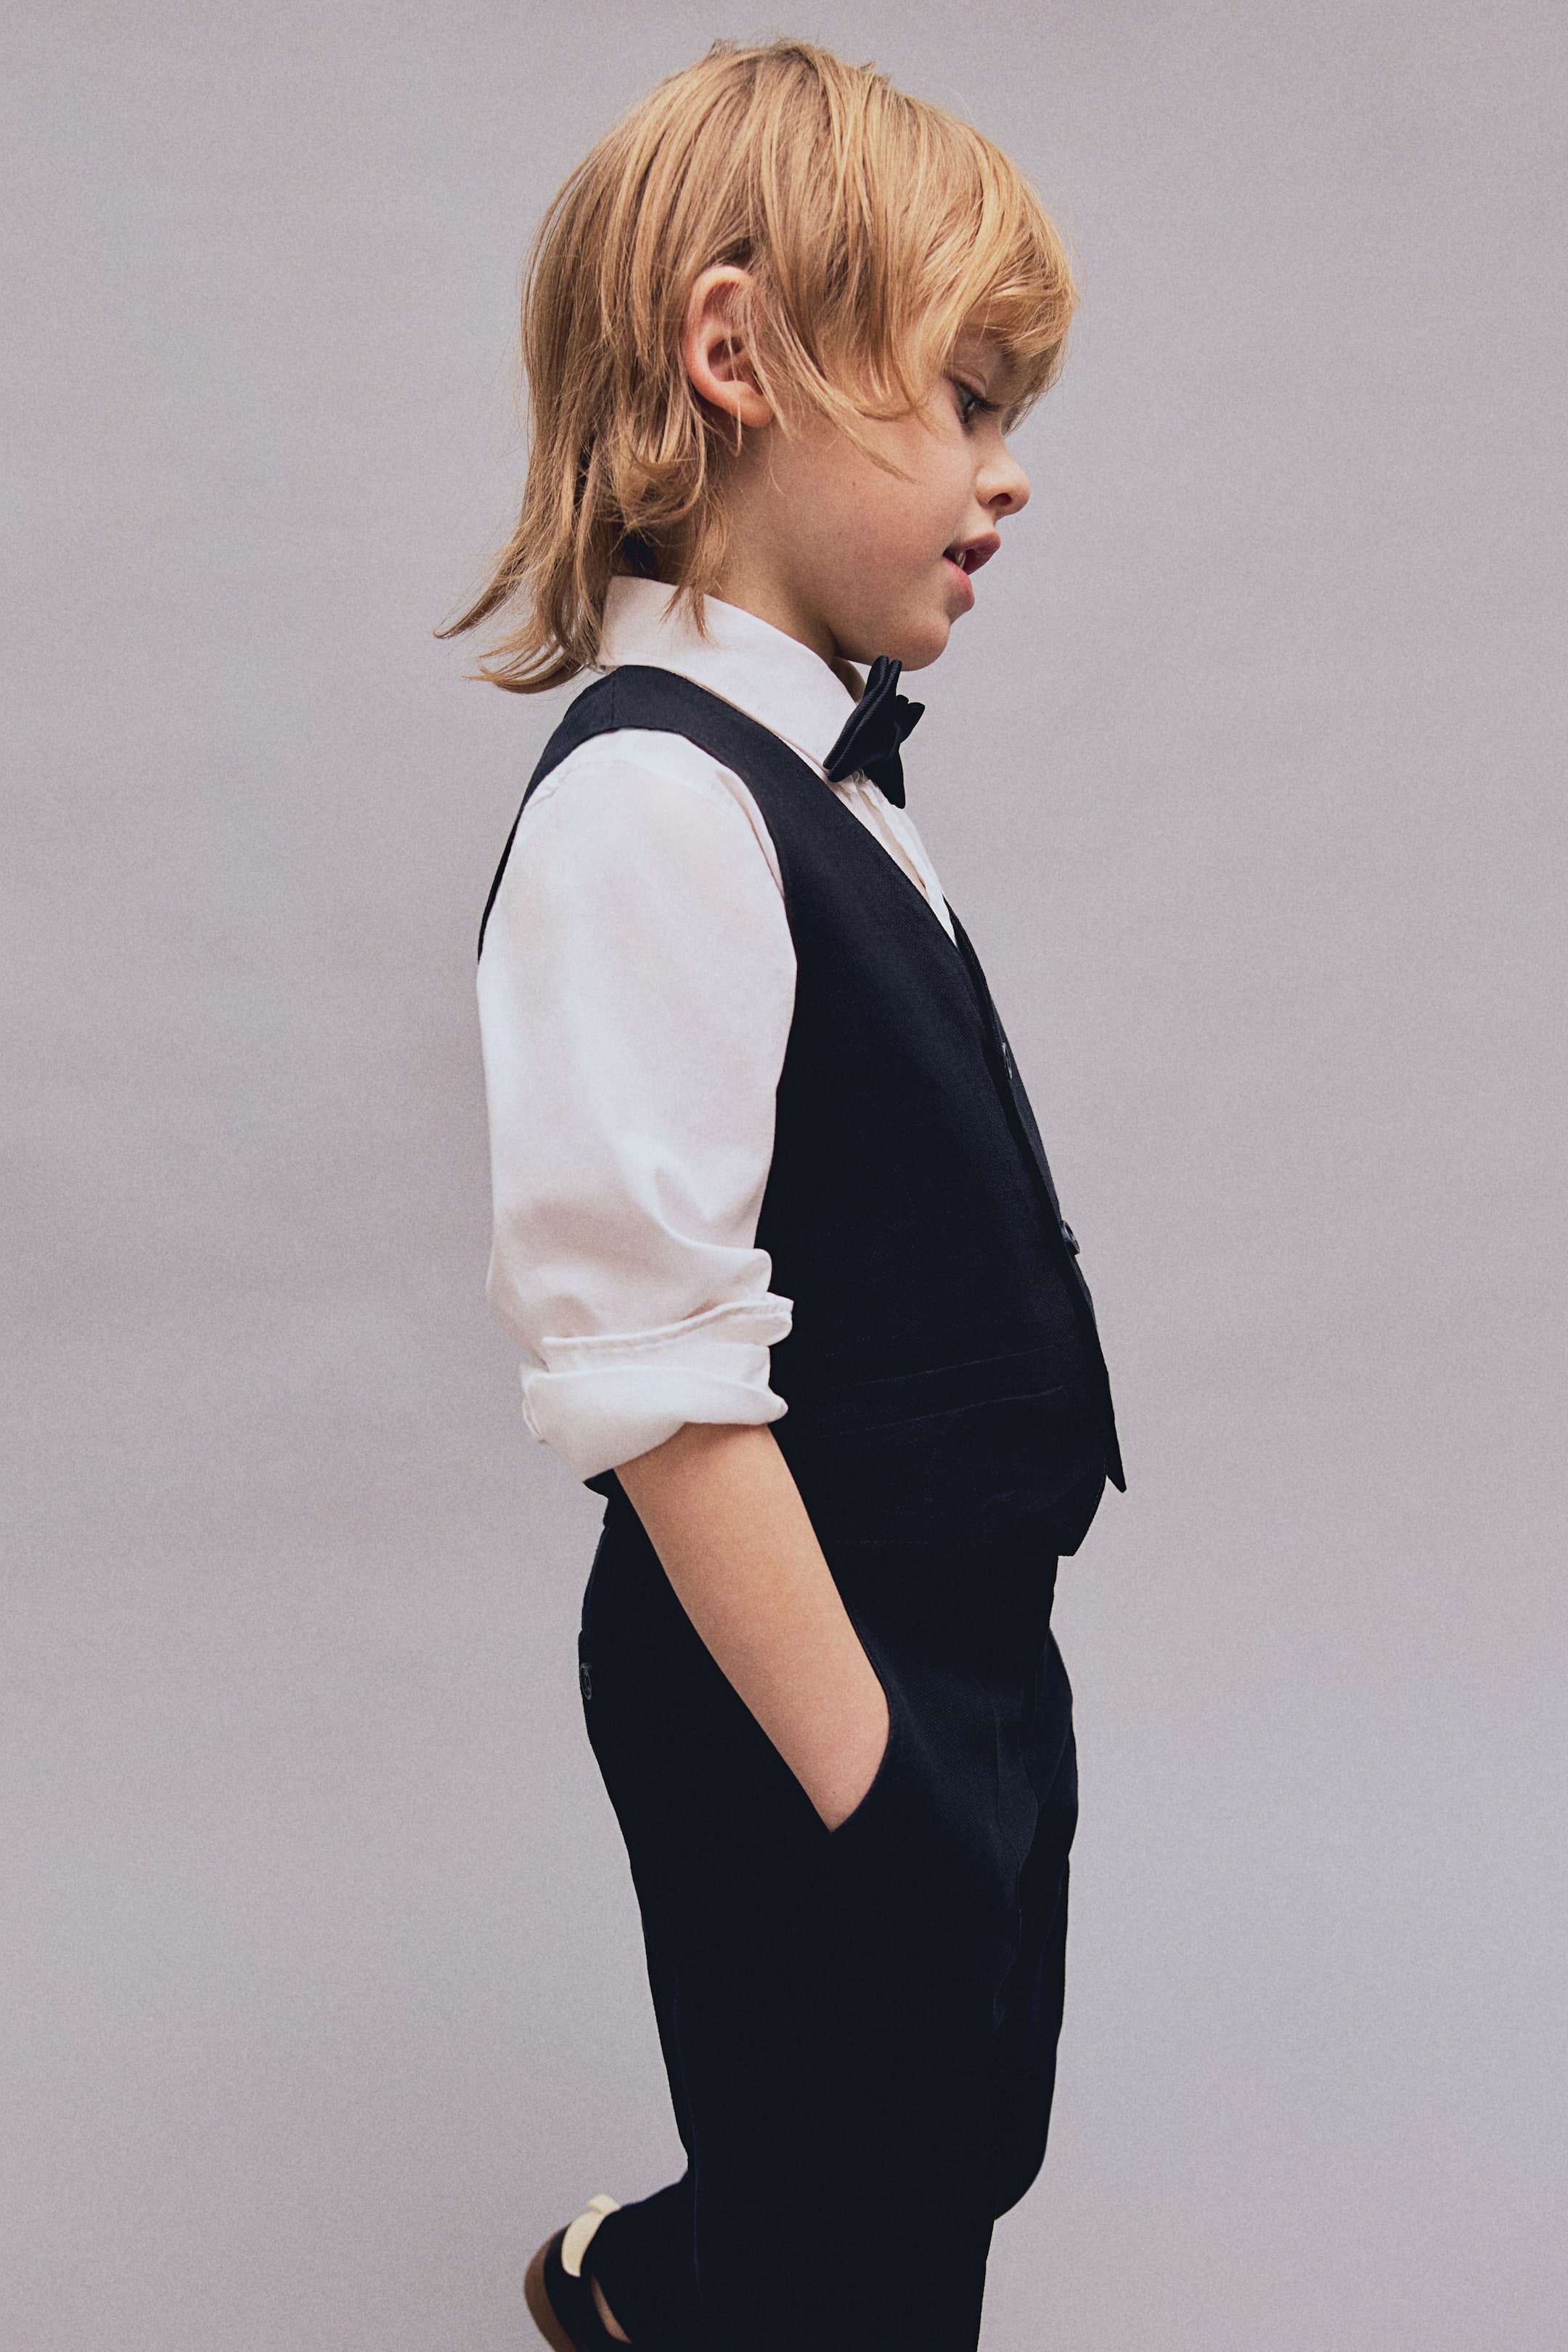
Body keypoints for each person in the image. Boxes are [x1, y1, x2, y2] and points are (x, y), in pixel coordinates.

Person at [446, 37, 1124, 2352]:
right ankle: (705, 2284)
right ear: (735, 354)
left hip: (955, 1632)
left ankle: (656, 2279)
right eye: (967, 398)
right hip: (794, 1659)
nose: (1010, 472)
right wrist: (869, 1779)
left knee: (957, 2130)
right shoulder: (653, 807)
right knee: (865, 2238)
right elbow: (650, 1370)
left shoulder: (819, 777)